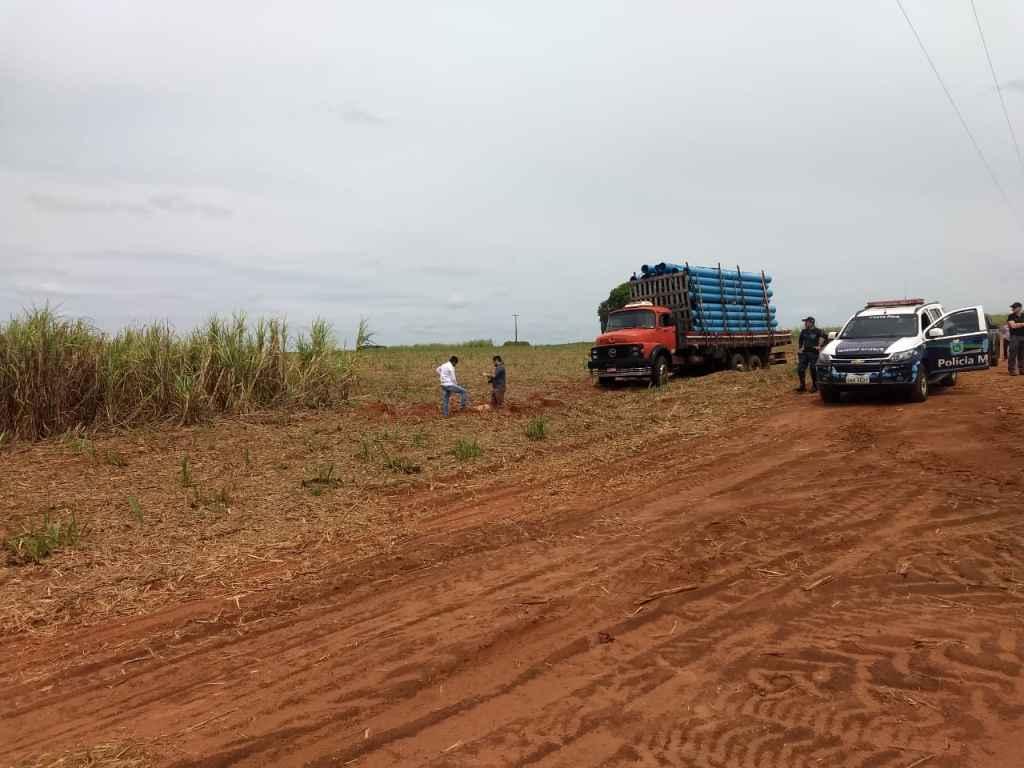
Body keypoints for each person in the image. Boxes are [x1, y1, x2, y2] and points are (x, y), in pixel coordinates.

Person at [797, 316, 826, 393]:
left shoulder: (818, 331)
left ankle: (815, 386)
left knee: (813, 369)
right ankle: (802, 386)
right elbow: (800, 340)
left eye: (807, 322)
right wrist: (800, 348)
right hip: (804, 353)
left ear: (811, 322)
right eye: (805, 322)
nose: (805, 323)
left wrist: (820, 346)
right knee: (800, 369)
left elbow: (826, 338)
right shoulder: (803, 331)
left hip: (813, 353)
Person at [1008, 302, 1024, 376]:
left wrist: (1018, 324)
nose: (1013, 308)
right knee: (1013, 354)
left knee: (1022, 354)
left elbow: (1015, 325)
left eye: (1014, 307)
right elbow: (1013, 326)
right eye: (1012, 307)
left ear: (1020, 308)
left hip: (1023, 336)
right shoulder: (1011, 316)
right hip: (1014, 337)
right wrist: (1023, 324)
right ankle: (1012, 370)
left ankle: (1022, 370)